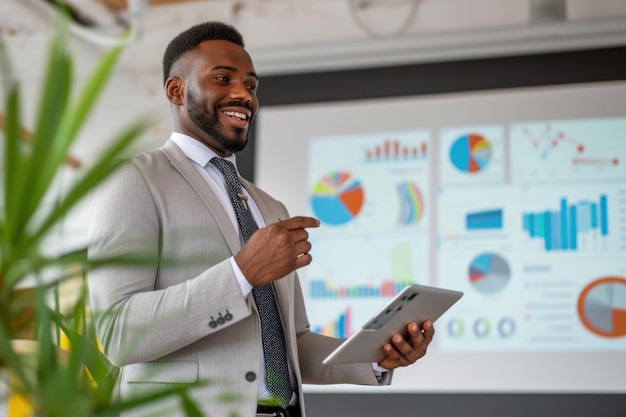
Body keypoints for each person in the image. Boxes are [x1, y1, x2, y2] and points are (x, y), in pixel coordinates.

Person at [87, 21, 434, 417]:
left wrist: (376, 356)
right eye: (223, 78)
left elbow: (291, 343)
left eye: (251, 85)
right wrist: (241, 273)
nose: (243, 94)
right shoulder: (135, 181)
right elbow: (118, 334)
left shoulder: (269, 206)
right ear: (176, 90)